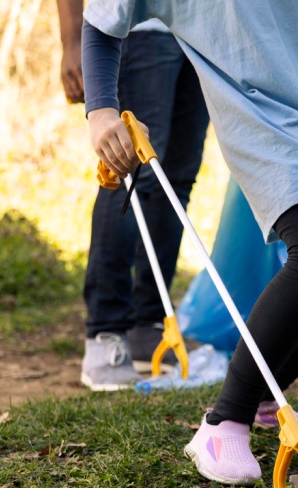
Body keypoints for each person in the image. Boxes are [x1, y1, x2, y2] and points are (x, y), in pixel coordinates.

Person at [82, 0, 298, 484]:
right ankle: (224, 420)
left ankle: (269, 395)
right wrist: (100, 112)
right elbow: (101, 23)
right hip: (261, 109)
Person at [58, 0, 210, 391]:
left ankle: (149, 327)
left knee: (176, 180)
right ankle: (105, 334)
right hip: (136, 30)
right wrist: (72, 41)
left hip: (199, 36)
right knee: (129, 171)